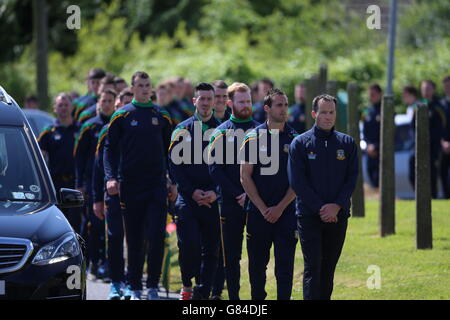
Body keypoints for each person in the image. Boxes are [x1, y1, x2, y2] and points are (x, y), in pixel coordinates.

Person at [104, 71, 174, 300]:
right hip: (130, 186)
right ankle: (134, 287)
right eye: (141, 85)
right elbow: (109, 150)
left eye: (148, 85)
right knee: (134, 240)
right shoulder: (121, 116)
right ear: (133, 88)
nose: (145, 89)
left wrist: (172, 181)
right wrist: (110, 178)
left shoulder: (161, 116)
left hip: (156, 185)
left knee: (155, 236)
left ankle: (152, 285)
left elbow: (171, 152)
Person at [288, 94, 359, 300]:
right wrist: (321, 208)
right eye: (323, 112)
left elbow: (351, 179)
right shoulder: (300, 143)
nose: (328, 117)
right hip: (309, 216)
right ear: (314, 114)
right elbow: (297, 182)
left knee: (328, 268)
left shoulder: (347, 143)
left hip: (338, 216)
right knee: (313, 267)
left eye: (332, 112)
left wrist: (336, 206)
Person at [240, 88, 298, 300]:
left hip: (287, 213)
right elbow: (245, 176)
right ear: (267, 108)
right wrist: (264, 209)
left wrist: (280, 207)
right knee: (256, 267)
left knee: (285, 267)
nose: (284, 109)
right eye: (279, 105)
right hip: (258, 213)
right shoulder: (252, 137)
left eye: (285, 105)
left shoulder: (296, 139)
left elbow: (298, 181)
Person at [169, 82, 221, 300]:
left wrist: (215, 192)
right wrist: (191, 192)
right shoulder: (182, 129)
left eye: (210, 99)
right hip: (188, 199)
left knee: (211, 250)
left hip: (213, 199)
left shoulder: (223, 130)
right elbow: (174, 166)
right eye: (202, 99)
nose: (206, 103)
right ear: (195, 101)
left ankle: (202, 290)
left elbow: (231, 166)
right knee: (188, 244)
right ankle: (187, 281)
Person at [209, 82, 259, 300]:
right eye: (241, 101)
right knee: (231, 255)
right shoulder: (220, 133)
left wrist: (251, 195)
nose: (246, 105)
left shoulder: (262, 131)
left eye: (248, 101)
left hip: (257, 203)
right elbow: (215, 169)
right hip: (230, 202)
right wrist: (237, 194)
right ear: (230, 104)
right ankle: (234, 299)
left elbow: (267, 170)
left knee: (258, 255)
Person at [92, 88, 132, 300]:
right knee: (115, 237)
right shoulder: (106, 130)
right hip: (113, 193)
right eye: (121, 105)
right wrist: (98, 198)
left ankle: (131, 282)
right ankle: (116, 283)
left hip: (136, 192)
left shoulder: (138, 128)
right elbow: (98, 167)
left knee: (134, 240)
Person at [74, 88, 117, 280]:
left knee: (112, 226)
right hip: (93, 182)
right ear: (98, 102)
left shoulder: (118, 124)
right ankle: (95, 260)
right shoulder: (90, 126)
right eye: (104, 100)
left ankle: (109, 262)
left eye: (110, 101)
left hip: (112, 181)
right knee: (95, 224)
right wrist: (80, 184)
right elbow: (80, 158)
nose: (106, 104)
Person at [37, 93, 81, 233]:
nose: (63, 108)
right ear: (54, 108)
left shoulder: (81, 130)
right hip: (56, 185)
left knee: (78, 225)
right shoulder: (48, 132)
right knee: (58, 224)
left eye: (66, 105)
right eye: (60, 105)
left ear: (72, 107)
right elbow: (39, 159)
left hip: (77, 185)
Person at [408, 80, 446, 198]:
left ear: (433, 90)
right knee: (412, 171)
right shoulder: (417, 106)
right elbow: (412, 126)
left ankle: (432, 197)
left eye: (428, 88)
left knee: (432, 174)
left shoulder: (438, 107)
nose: (426, 91)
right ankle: (419, 196)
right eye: (423, 88)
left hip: (433, 146)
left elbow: (443, 126)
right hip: (418, 146)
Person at [362, 84, 383, 188]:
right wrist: (368, 146)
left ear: (380, 94)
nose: (371, 97)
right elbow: (364, 133)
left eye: (373, 94)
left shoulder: (385, 110)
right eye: (370, 95)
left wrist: (376, 146)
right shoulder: (367, 111)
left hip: (381, 152)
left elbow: (390, 133)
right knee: (372, 179)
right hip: (370, 151)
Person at [439, 76, 450, 198]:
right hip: (443, 145)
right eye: (446, 86)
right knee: (442, 173)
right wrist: (443, 142)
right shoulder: (440, 104)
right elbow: (437, 128)